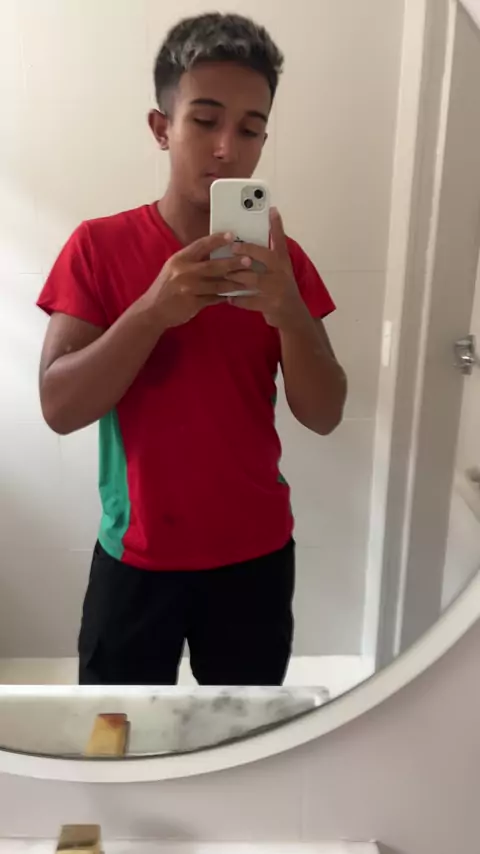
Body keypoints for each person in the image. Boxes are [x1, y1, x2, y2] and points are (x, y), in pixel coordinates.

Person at [37, 13, 347, 687]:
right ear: (162, 128)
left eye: (251, 129)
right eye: (205, 121)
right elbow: (59, 407)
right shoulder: (97, 247)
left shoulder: (282, 261)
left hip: (256, 555)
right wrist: (152, 311)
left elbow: (325, 413)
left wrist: (289, 312)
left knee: (242, 735)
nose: (228, 149)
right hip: (138, 553)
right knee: (118, 734)